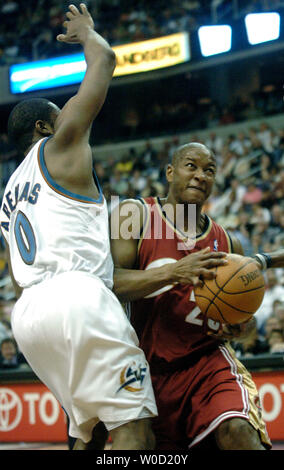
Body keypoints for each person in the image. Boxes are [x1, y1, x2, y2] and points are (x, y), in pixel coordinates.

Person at [0, 4, 157, 450]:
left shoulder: (10, 192)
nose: (70, 116)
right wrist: (88, 33)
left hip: (29, 316)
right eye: (60, 112)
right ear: (44, 125)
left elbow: (16, 274)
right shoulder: (59, 142)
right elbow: (105, 61)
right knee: (134, 428)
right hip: (77, 299)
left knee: (86, 432)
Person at [110, 142, 284, 450]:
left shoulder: (228, 241)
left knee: (238, 431)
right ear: (170, 172)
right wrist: (172, 272)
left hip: (207, 363)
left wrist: (240, 327)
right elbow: (110, 283)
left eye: (209, 170)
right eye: (191, 166)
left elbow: (245, 325)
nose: (200, 175)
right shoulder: (133, 213)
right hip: (146, 368)